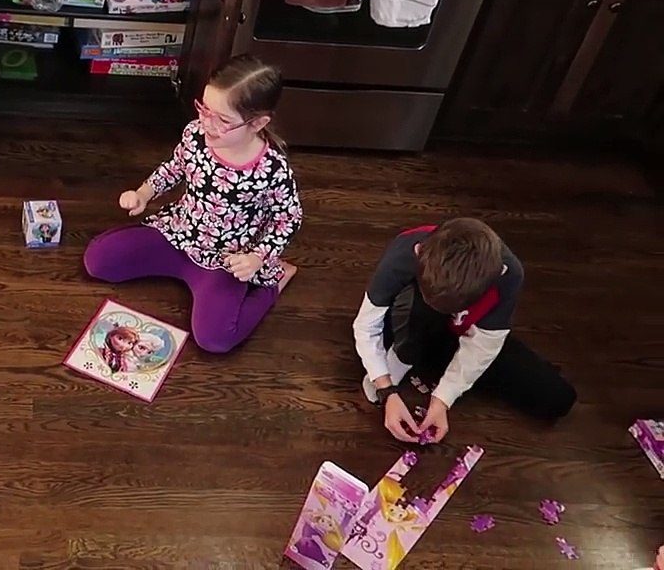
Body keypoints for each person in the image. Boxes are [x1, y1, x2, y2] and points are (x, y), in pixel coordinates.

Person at [83, 54, 303, 354]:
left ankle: (277, 280)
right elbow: (175, 167)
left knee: (214, 339)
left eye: (223, 120)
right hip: (178, 233)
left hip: (226, 260)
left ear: (258, 123)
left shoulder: (272, 170)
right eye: (204, 109)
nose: (208, 124)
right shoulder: (195, 133)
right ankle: (178, 265)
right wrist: (144, 193)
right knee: (98, 260)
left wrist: (258, 258)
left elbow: (288, 218)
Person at [352, 218, 577, 444]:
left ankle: (428, 356)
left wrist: (443, 399)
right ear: (418, 252)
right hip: (408, 317)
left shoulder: (508, 274)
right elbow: (366, 325)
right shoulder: (404, 251)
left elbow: (485, 344)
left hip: (461, 331)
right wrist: (386, 389)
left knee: (558, 399)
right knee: (417, 313)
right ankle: (403, 357)